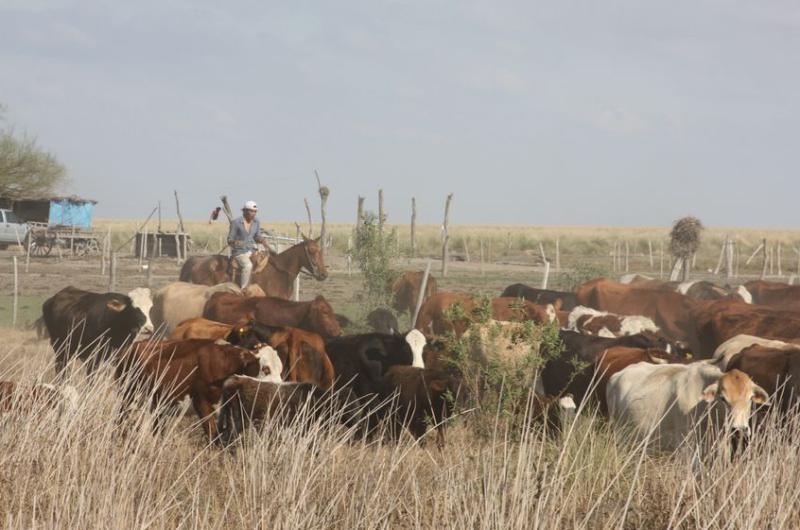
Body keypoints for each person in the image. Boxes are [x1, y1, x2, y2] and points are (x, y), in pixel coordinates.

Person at [227, 201, 269, 287]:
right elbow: (229, 239)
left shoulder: (256, 222)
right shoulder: (236, 222)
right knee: (248, 266)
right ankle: (244, 288)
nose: (253, 213)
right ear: (245, 211)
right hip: (239, 252)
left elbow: (257, 236)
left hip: (251, 250)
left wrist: (262, 240)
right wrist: (235, 242)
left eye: (255, 211)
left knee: (265, 261)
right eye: (251, 211)